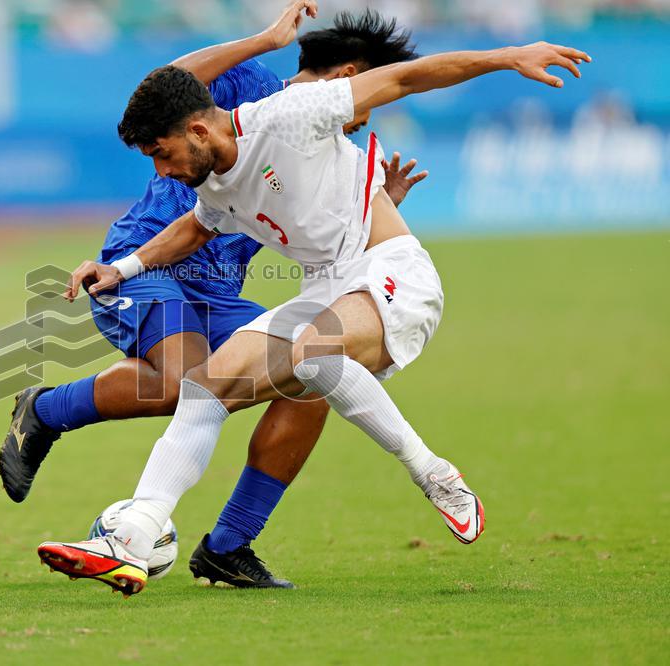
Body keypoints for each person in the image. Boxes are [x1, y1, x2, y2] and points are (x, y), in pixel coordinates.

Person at [37, 39, 590, 596]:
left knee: (312, 351)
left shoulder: (289, 113)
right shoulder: (213, 183)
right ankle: (133, 535)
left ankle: (432, 471)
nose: (162, 170)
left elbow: (406, 78)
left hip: (392, 274)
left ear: (200, 132)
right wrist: (122, 268)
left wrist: (510, 56)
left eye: (162, 153)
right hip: (324, 294)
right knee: (203, 390)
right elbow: (196, 228)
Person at [0, 4, 425, 587]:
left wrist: (378, 206)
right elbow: (164, 85)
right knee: (185, 381)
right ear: (349, 75)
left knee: (316, 372)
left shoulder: (331, 144)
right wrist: (266, 39)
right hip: (148, 262)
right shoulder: (253, 91)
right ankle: (45, 411)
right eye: (370, 95)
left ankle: (229, 546)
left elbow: (323, 238)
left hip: (221, 290)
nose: (366, 115)